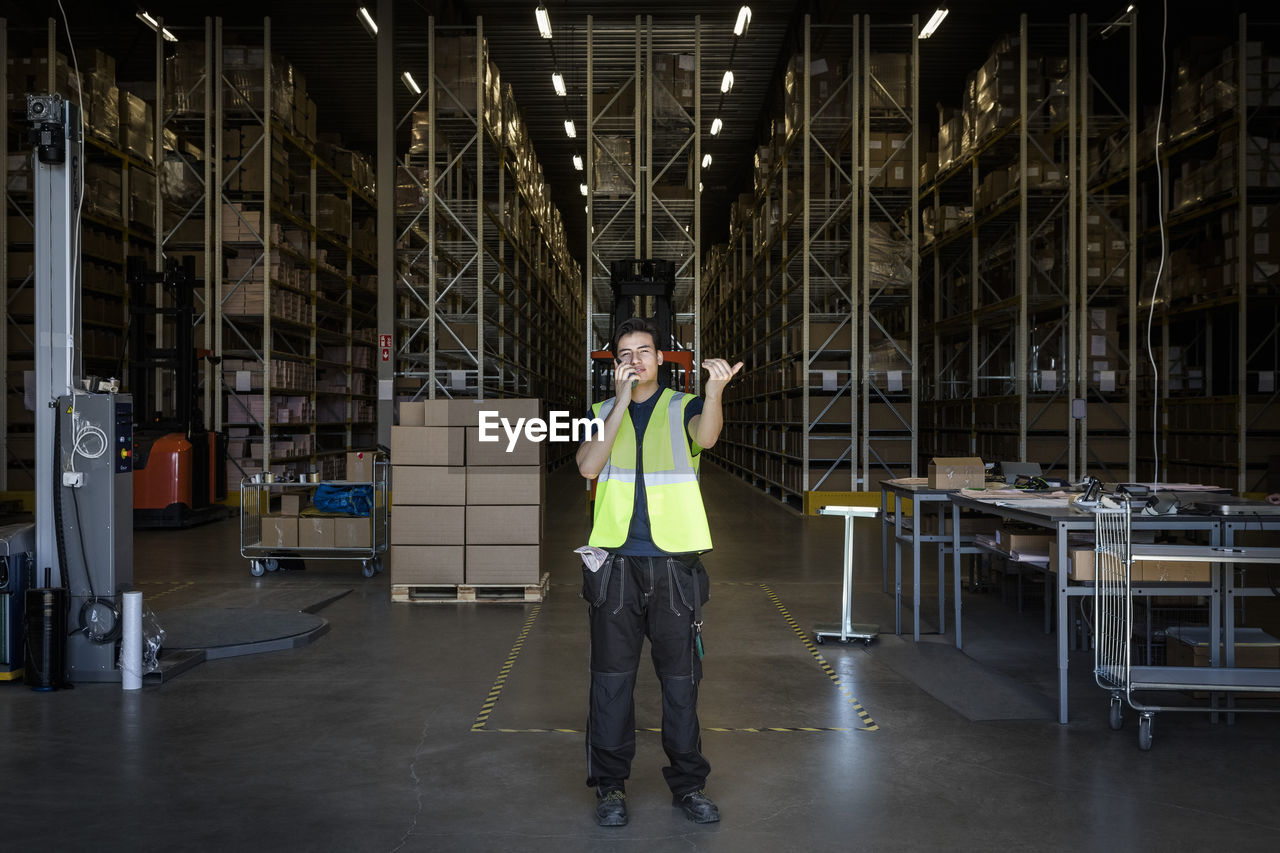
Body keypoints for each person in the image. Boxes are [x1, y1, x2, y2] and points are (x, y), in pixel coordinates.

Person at [575, 316, 743, 827]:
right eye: (625, 353)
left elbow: (707, 438)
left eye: (644, 351)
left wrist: (714, 391)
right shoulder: (602, 411)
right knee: (611, 682)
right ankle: (610, 787)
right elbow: (587, 466)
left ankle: (689, 785)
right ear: (615, 363)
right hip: (617, 567)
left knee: (679, 681)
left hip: (673, 566)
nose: (636, 360)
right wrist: (621, 403)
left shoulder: (683, 407)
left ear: (661, 356)